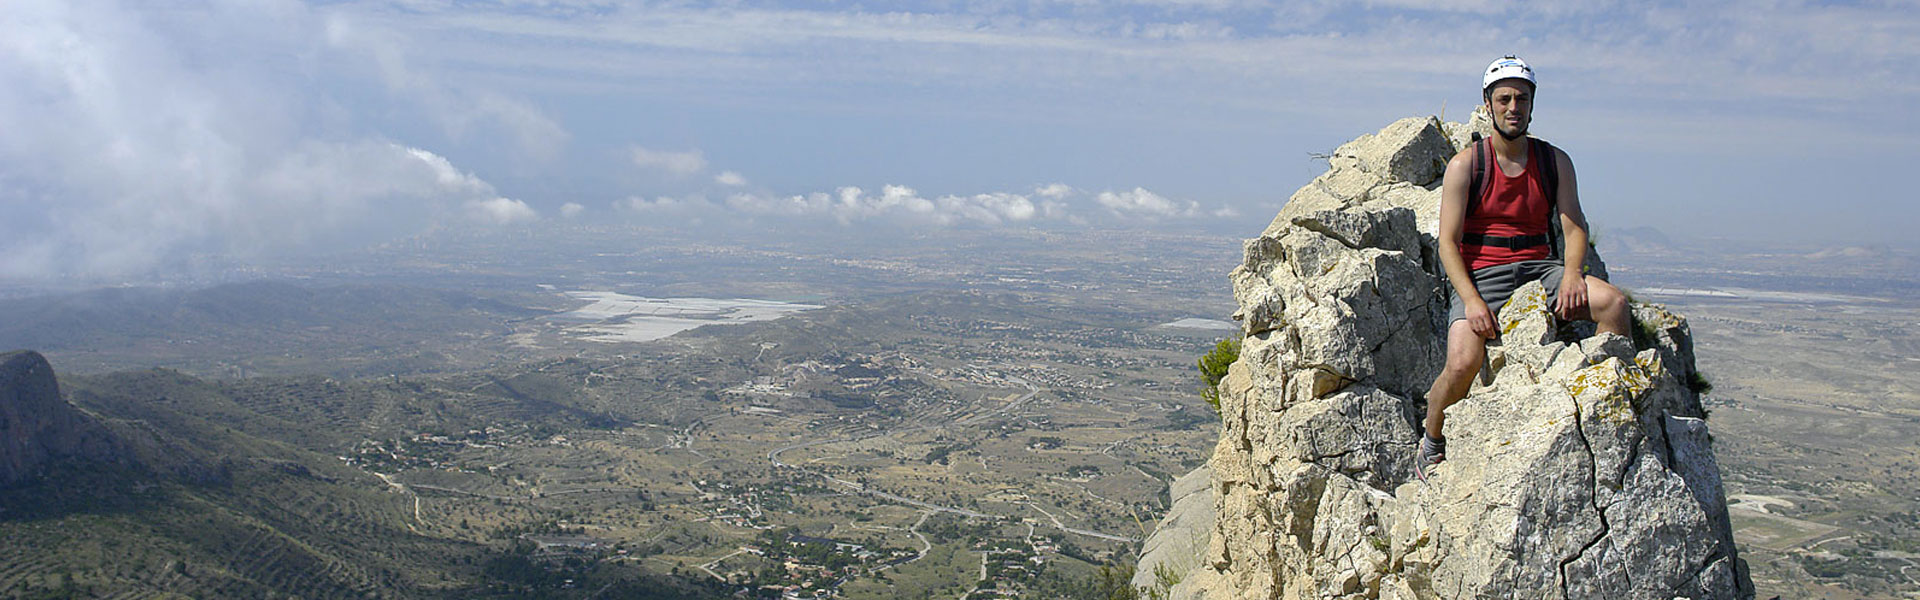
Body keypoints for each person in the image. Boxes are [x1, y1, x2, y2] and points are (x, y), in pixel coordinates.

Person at [1415, 56, 1632, 482]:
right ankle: (1432, 437)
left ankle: (1606, 405)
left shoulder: (1555, 162)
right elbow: (1447, 243)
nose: (1513, 107)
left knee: (1614, 305)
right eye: (1504, 99)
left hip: (1541, 268)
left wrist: (1572, 273)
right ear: (1488, 104)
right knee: (1462, 362)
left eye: (1522, 98)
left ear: (1533, 104)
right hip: (1484, 274)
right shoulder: (1467, 165)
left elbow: (1574, 225)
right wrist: (1472, 301)